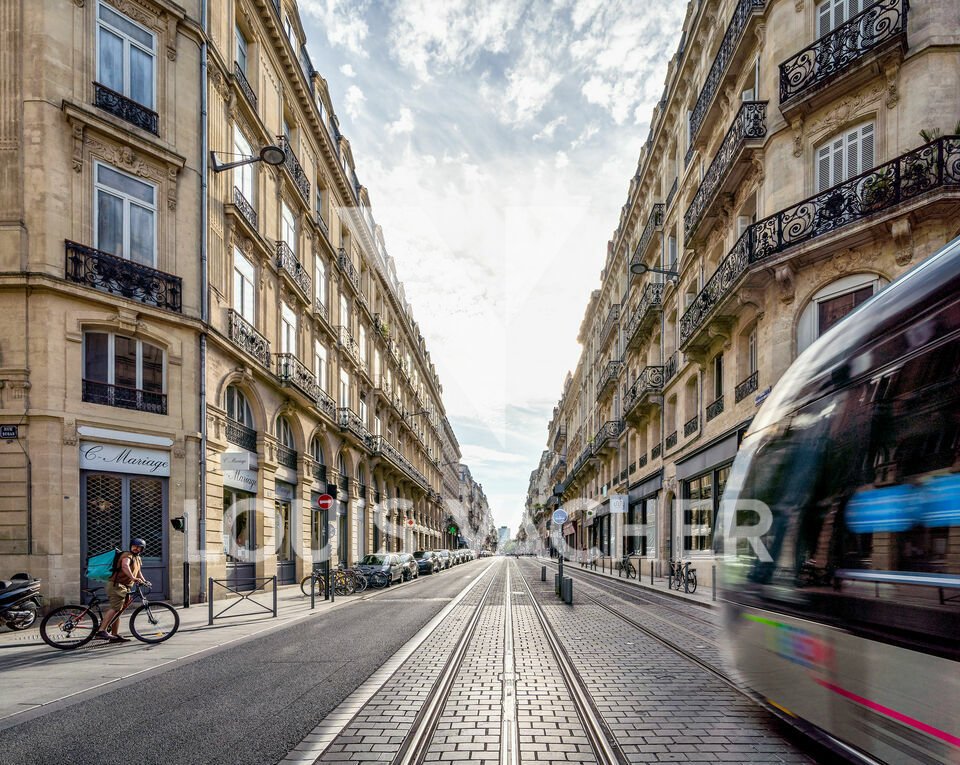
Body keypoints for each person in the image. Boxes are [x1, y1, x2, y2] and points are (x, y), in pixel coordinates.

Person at [96, 538, 148, 643]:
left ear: (142, 549)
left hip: (126, 586)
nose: (136, 548)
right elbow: (125, 566)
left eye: (139, 547)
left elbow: (138, 572)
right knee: (116, 608)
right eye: (134, 546)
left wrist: (144, 581)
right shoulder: (127, 555)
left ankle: (114, 635)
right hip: (117, 585)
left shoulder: (137, 558)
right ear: (131, 546)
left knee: (119, 611)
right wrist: (133, 578)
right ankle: (101, 630)